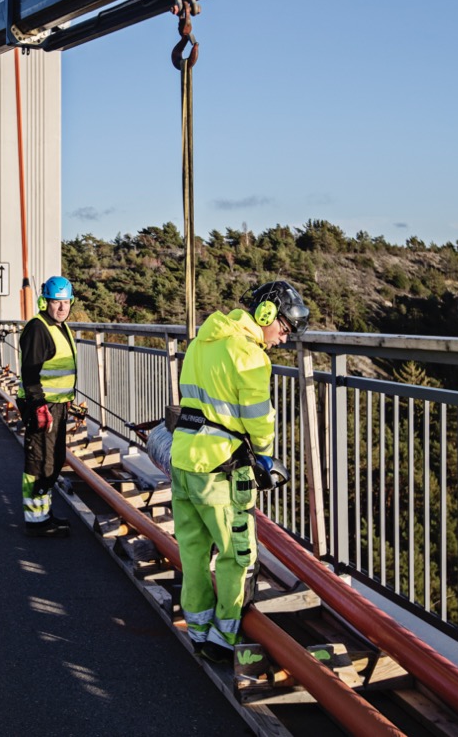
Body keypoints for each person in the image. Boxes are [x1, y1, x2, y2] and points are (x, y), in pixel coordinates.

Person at [169, 279, 308, 664]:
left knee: (194, 552)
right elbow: (259, 420)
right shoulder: (249, 355)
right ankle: (222, 638)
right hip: (220, 467)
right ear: (266, 315)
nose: (282, 339)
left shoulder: (202, 341)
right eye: (282, 328)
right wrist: (265, 458)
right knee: (237, 555)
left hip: (184, 461)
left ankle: (197, 630)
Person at [17, 276, 78, 537]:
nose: (62, 308)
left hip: (58, 405)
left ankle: (44, 514)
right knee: (40, 462)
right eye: (56, 303)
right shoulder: (38, 328)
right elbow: (30, 373)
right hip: (43, 406)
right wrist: (39, 405)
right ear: (45, 302)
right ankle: (36, 521)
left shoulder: (61, 327)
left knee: (54, 461)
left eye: (66, 302)